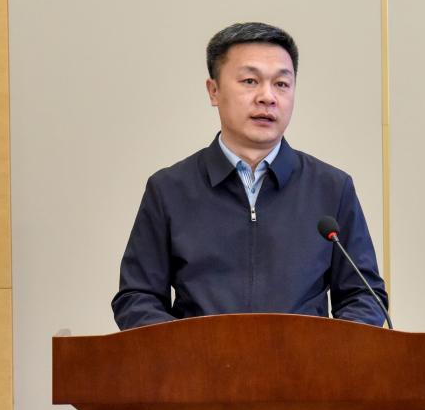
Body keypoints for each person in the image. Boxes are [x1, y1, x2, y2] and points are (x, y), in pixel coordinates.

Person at [111, 22, 388, 329]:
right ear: (214, 91)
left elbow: (364, 297)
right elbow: (137, 298)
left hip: (305, 360)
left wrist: (328, 352)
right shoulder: (169, 190)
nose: (267, 97)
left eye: (281, 84)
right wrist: (185, 351)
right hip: (199, 360)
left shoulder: (331, 188)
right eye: (250, 81)